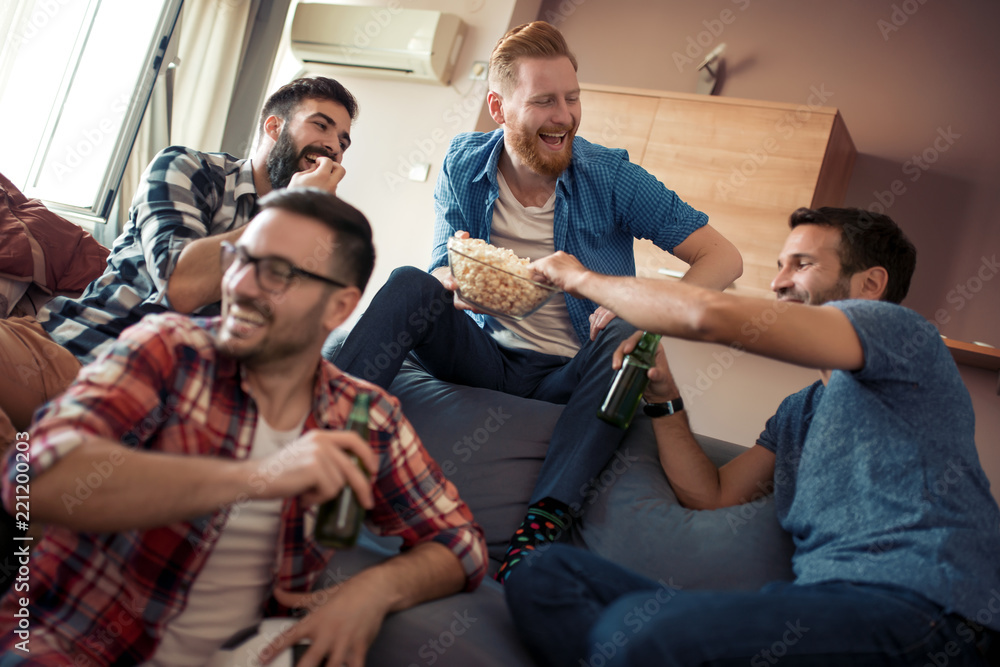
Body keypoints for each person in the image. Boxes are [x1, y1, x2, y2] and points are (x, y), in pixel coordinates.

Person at [0, 188, 487, 665]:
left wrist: (374, 592)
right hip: (72, 642)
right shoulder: (169, 349)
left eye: (276, 273)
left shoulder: (366, 417)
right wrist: (262, 476)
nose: (240, 285)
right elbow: (35, 478)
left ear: (339, 307)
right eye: (240, 258)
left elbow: (459, 541)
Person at [329, 20, 742, 581]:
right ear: (499, 108)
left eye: (572, 99)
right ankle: (324, 446)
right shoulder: (462, 164)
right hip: (483, 353)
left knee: (628, 333)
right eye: (545, 101)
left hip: (569, 373)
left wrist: (636, 304)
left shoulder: (611, 176)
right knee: (408, 282)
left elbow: (723, 257)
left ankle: (539, 530)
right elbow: (438, 266)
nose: (565, 116)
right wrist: (460, 276)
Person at [506, 206, 1000, 665]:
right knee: (542, 574)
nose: (778, 282)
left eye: (801, 265)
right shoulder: (802, 409)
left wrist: (581, 278)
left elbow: (705, 314)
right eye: (780, 264)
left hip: (929, 608)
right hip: (818, 605)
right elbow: (712, 494)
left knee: (639, 633)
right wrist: (665, 396)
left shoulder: (904, 336)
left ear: (870, 284)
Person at [0, 75, 358, 450]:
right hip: (67, 355)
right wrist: (287, 216)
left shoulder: (308, 243)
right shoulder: (189, 168)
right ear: (274, 126)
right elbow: (178, 285)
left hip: (153, 416)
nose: (333, 146)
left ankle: (27, 474)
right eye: (321, 125)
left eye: (344, 142)